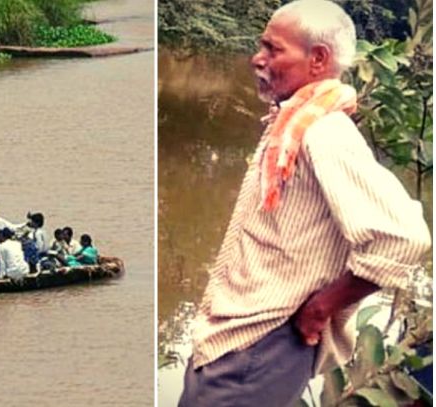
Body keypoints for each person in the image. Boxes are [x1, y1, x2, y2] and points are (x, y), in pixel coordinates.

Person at [178, 1, 432, 406]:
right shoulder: (294, 123)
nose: (256, 59)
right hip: (238, 338)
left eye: (273, 49)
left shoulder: (325, 132)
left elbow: (402, 238)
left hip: (260, 346)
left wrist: (321, 309)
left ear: (317, 59)